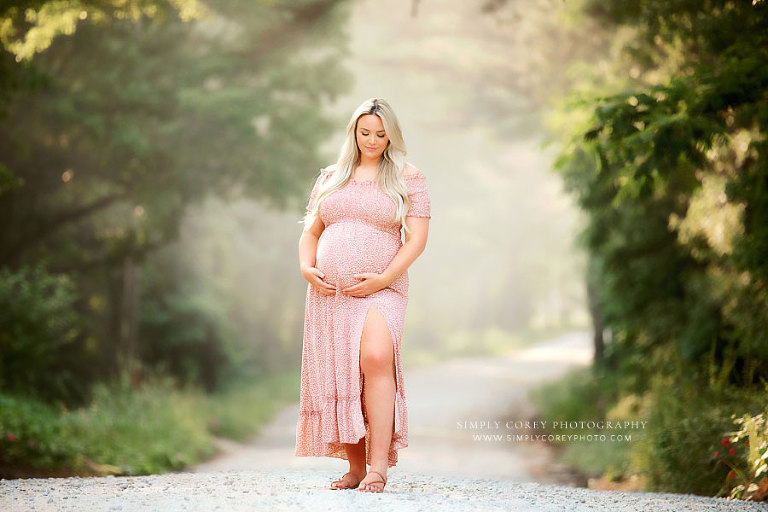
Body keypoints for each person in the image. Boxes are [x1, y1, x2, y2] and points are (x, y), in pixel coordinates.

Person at [294, 98, 431, 492]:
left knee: (375, 358)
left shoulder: (408, 176)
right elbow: (311, 232)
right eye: (365, 132)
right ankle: (355, 469)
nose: (372, 140)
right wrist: (307, 267)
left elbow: (416, 238)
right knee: (343, 372)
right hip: (329, 292)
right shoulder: (332, 176)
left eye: (381, 134)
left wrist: (384, 278)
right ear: (354, 132)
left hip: (382, 287)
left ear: (392, 136)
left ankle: (378, 468)